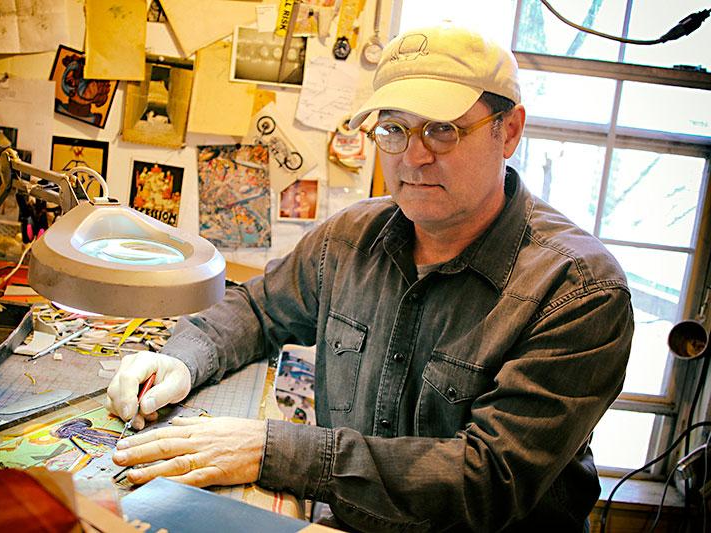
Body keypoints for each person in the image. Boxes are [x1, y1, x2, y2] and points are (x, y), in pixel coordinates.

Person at [105, 24, 634, 532]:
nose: (413, 156)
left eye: (443, 130)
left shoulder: (579, 290)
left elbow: (490, 479)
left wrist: (271, 450)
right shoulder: (349, 237)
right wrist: (182, 358)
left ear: (509, 130)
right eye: (394, 130)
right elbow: (258, 308)